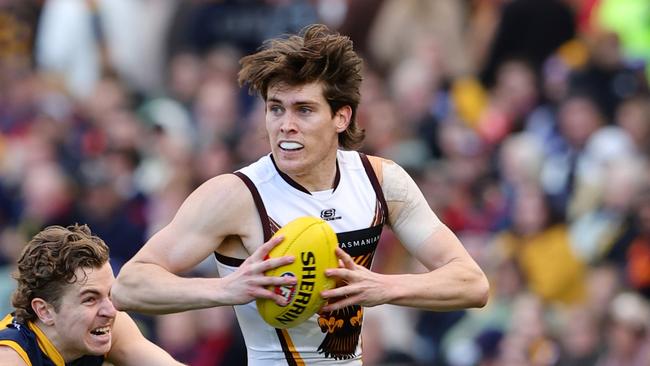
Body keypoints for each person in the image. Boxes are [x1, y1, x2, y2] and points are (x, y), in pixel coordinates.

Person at [112, 24, 489, 365]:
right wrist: (226, 288)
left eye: (304, 110)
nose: (285, 126)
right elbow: (130, 286)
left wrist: (385, 287)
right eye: (275, 109)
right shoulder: (237, 194)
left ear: (341, 117)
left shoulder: (381, 180)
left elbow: (472, 283)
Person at [0, 224, 184, 365]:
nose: (111, 311)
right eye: (90, 299)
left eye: (110, 294)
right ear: (44, 311)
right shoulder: (10, 357)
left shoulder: (105, 326)